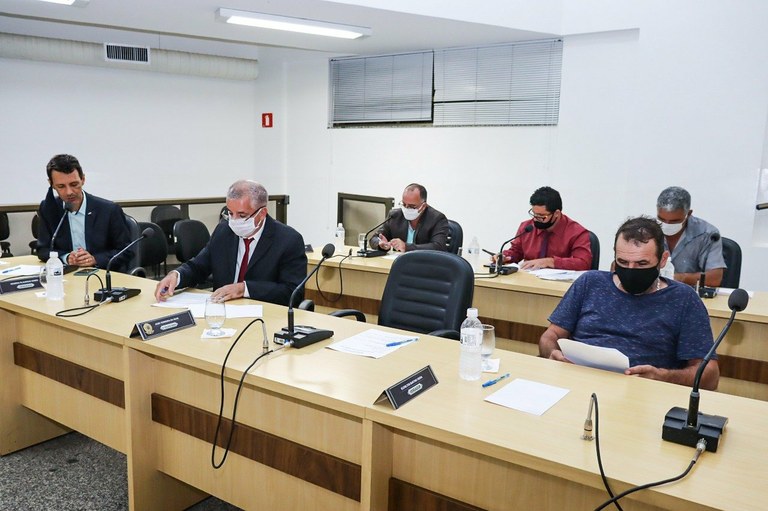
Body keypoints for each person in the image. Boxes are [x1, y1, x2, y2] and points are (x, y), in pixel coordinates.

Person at [539, 216, 718, 390]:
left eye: (641, 264)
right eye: (623, 262)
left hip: (643, 392)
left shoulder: (683, 299)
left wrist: (663, 376)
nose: (631, 270)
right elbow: (550, 336)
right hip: (578, 382)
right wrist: (552, 353)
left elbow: (710, 376)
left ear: (662, 260)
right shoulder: (590, 283)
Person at [154, 180, 306, 305]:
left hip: (265, 315)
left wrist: (244, 289)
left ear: (262, 213)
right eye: (230, 213)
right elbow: (199, 266)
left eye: (242, 215)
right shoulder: (224, 231)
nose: (234, 221)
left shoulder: (288, 240)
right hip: (222, 312)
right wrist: (176, 276)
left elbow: (292, 292)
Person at [37, 154, 132, 271]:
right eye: (61, 186)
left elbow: (127, 251)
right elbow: (43, 249)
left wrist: (95, 259)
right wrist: (66, 257)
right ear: (51, 184)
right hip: (67, 274)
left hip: (101, 273)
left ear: (83, 179)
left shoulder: (109, 210)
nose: (69, 192)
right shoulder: (48, 208)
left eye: (74, 184)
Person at [498, 186, 592, 270]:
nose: (536, 219)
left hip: (560, 283)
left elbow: (583, 263)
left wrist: (550, 262)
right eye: (534, 214)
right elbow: (516, 252)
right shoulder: (527, 228)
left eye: (541, 216)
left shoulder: (577, 233)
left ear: (556, 213)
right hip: (529, 280)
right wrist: (505, 257)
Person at [656, 186, 725, 287]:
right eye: (661, 219)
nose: (667, 224)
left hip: (690, 292)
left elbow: (714, 279)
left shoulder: (707, 234)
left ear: (688, 214)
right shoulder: (647, 231)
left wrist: (675, 278)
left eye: (674, 221)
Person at [371, 183, 449, 252]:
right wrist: (380, 243)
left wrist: (406, 247)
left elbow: (438, 247)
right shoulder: (395, 215)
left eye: (412, 206)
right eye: (404, 204)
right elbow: (375, 238)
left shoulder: (437, 219)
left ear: (423, 206)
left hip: (425, 262)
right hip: (398, 262)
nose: (406, 208)